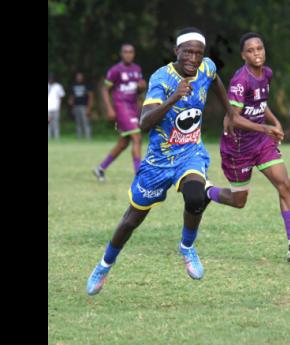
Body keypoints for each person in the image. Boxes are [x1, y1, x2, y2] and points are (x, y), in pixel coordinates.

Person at [87, 27, 240, 295]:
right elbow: (144, 122)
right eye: (188, 52)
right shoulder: (162, 78)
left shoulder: (206, 67)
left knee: (195, 198)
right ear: (176, 52)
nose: (193, 58)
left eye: (198, 53)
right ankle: (104, 265)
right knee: (132, 219)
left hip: (190, 153)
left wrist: (229, 111)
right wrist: (173, 98)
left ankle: (187, 247)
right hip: (158, 162)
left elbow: (215, 79)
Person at [205, 32, 290, 265]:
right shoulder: (239, 80)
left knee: (285, 184)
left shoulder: (267, 74)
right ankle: (207, 191)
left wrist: (274, 122)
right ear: (243, 55)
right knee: (239, 201)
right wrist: (266, 129)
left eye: (260, 48)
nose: (257, 53)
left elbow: (260, 104)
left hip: (261, 143)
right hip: (237, 148)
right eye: (251, 50)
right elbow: (233, 118)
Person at [92, 43, 147, 181]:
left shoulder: (137, 69)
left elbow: (138, 90)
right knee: (137, 137)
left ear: (133, 54)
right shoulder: (115, 70)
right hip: (121, 106)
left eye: (131, 52)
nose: (128, 54)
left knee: (123, 143)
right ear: (121, 54)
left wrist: (142, 88)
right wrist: (109, 108)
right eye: (125, 52)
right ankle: (138, 175)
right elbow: (105, 89)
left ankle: (100, 169)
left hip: (133, 107)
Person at [68, 72, 93, 139]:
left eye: (80, 76)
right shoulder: (73, 85)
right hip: (76, 106)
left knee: (86, 122)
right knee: (78, 123)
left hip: (84, 106)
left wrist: (89, 107)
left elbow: (90, 96)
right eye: (78, 76)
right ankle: (79, 138)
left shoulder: (86, 85)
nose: (79, 78)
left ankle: (88, 138)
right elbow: (72, 95)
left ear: (82, 77)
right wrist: (71, 101)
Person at [48, 73, 65, 140]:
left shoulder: (58, 86)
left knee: (56, 123)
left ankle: (56, 137)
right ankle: (48, 138)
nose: (50, 80)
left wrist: (59, 104)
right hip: (48, 108)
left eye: (51, 78)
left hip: (56, 107)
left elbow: (61, 96)